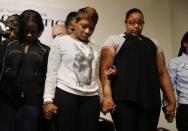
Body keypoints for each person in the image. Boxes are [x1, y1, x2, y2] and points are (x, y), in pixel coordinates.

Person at [99, 8, 176, 131]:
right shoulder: (114, 40)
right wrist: (107, 96)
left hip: (151, 101)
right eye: (132, 22)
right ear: (126, 23)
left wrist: (172, 101)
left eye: (140, 23)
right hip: (124, 100)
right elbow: (105, 71)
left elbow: (162, 73)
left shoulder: (154, 43)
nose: (136, 26)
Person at [43, 7, 100, 131]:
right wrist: (48, 100)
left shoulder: (95, 46)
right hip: (66, 95)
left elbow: (95, 75)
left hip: (91, 98)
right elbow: (52, 73)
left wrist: (101, 97)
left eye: (92, 28)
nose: (87, 31)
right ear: (75, 22)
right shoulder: (60, 41)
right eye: (83, 26)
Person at [0, 9, 50, 131]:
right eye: (26, 30)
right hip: (6, 100)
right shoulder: (8, 44)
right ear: (21, 28)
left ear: (40, 30)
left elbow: (46, 78)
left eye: (33, 31)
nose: (29, 34)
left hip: (32, 103)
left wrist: (46, 102)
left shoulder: (45, 50)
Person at [166, 32, 188, 131]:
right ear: (185, 43)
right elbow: (169, 86)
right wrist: (168, 107)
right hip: (185, 107)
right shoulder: (175, 62)